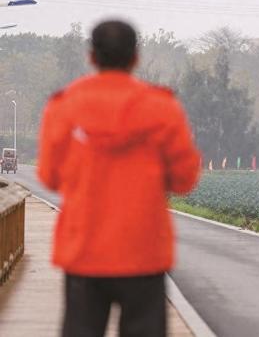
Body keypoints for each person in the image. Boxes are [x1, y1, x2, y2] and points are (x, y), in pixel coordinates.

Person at [37, 20, 201, 337]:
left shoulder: (65, 106)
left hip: (84, 251)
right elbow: (184, 179)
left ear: (92, 57)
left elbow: (49, 176)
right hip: (144, 252)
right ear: (135, 57)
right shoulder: (162, 108)